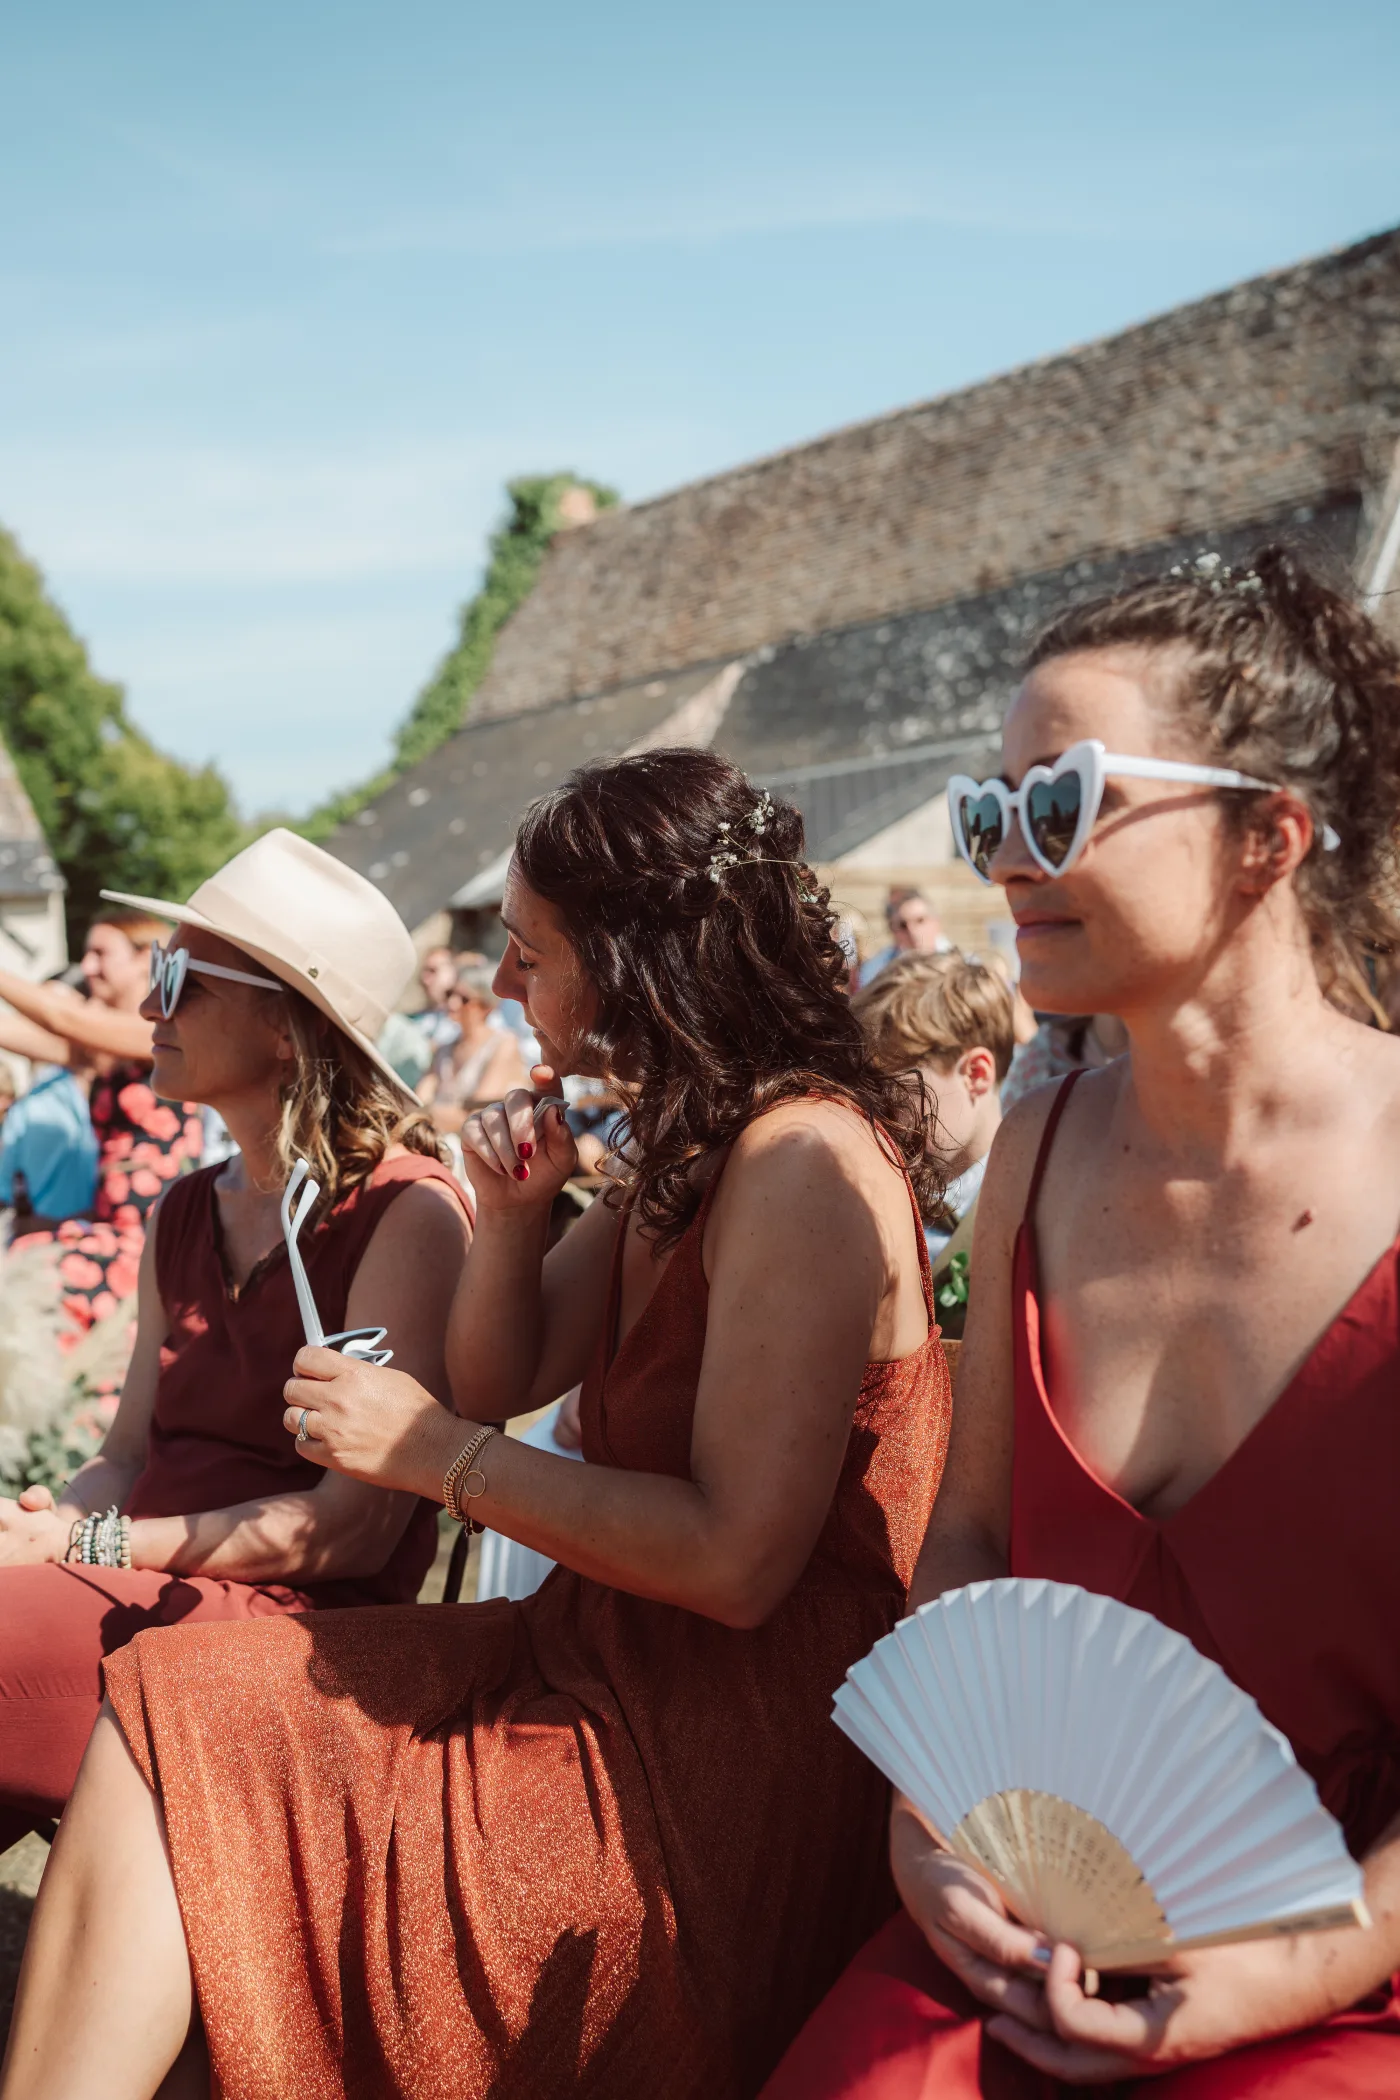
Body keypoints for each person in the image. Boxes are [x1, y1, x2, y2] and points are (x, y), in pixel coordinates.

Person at [2, 751, 951, 2100]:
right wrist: (506, 1221)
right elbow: (501, 1374)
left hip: (728, 1757)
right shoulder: (685, 1145)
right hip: (600, 1661)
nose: (501, 986)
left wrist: (430, 1457)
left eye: (528, 953)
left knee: (190, 1728)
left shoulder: (800, 1161)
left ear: (631, 964)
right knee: (168, 1701)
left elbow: (736, 1562)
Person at [761, 546, 1400, 2097]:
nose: (1004, 861)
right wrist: (930, 1816)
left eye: (1062, 802)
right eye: (988, 813)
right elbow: (973, 1538)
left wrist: (1294, 1974)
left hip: (1350, 1952)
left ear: (1267, 838)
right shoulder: (1033, 1155)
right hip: (1029, 1915)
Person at [0, 828, 472, 1859]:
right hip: (143, 1584)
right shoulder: (182, 1209)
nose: (147, 1007)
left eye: (181, 980)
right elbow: (125, 1455)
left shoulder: (406, 1213)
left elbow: (348, 1534)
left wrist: (85, 1545)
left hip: (297, 1628)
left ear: (287, 1030)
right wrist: (53, 1521)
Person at [853, 951, 1014, 1273]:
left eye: (895, 1096)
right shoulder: (880, 1193)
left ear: (975, 1075)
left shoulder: (1031, 1200)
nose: (877, 1119)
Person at [420, 959, 529, 1131]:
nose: (452, 1003)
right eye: (450, 994)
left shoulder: (504, 1045)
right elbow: (420, 1098)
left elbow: (479, 1113)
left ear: (487, 1007)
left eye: (464, 999)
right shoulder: (443, 1048)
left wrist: (424, 1114)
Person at [0, 1057, 99, 1231]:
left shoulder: (27, 1107)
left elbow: (6, 1176)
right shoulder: (74, 1101)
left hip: (39, 1224)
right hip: (82, 1221)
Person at [857, 888, 953, 988]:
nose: (912, 931)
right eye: (903, 925)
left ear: (936, 922)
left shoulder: (961, 966)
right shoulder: (875, 971)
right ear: (893, 931)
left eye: (920, 920)